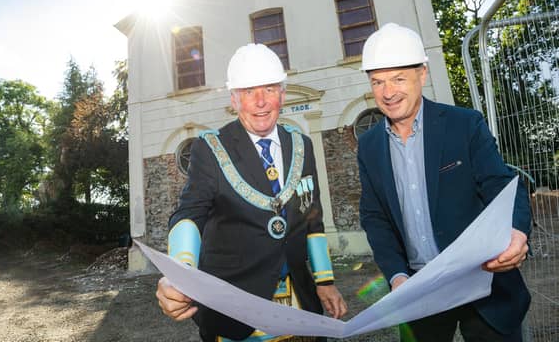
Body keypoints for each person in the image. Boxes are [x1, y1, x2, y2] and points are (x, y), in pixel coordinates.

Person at [156, 43, 347, 342]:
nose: (260, 102)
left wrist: (325, 281)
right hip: (234, 311)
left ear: (282, 94)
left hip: (300, 303)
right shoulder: (210, 148)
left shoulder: (302, 145)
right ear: (234, 99)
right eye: (248, 92)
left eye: (269, 89)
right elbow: (189, 213)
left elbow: (313, 218)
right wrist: (180, 274)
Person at [357, 23, 531, 342]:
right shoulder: (368, 146)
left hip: (484, 283)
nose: (388, 92)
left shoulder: (464, 125)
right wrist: (397, 276)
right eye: (377, 81)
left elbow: (503, 185)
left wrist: (517, 233)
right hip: (419, 292)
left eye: (398, 78)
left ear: (422, 74)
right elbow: (375, 217)